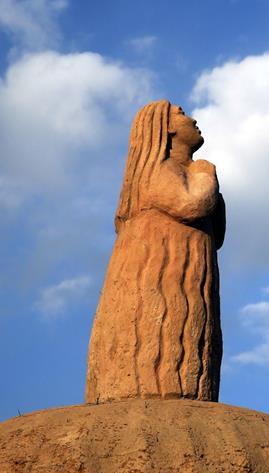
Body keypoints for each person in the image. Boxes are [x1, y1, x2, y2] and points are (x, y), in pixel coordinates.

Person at [85, 100, 225, 403]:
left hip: (191, 268)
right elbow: (192, 204)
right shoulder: (158, 170)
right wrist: (204, 171)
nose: (193, 119)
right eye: (182, 114)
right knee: (161, 333)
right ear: (167, 128)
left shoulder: (182, 171)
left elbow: (218, 233)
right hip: (160, 267)